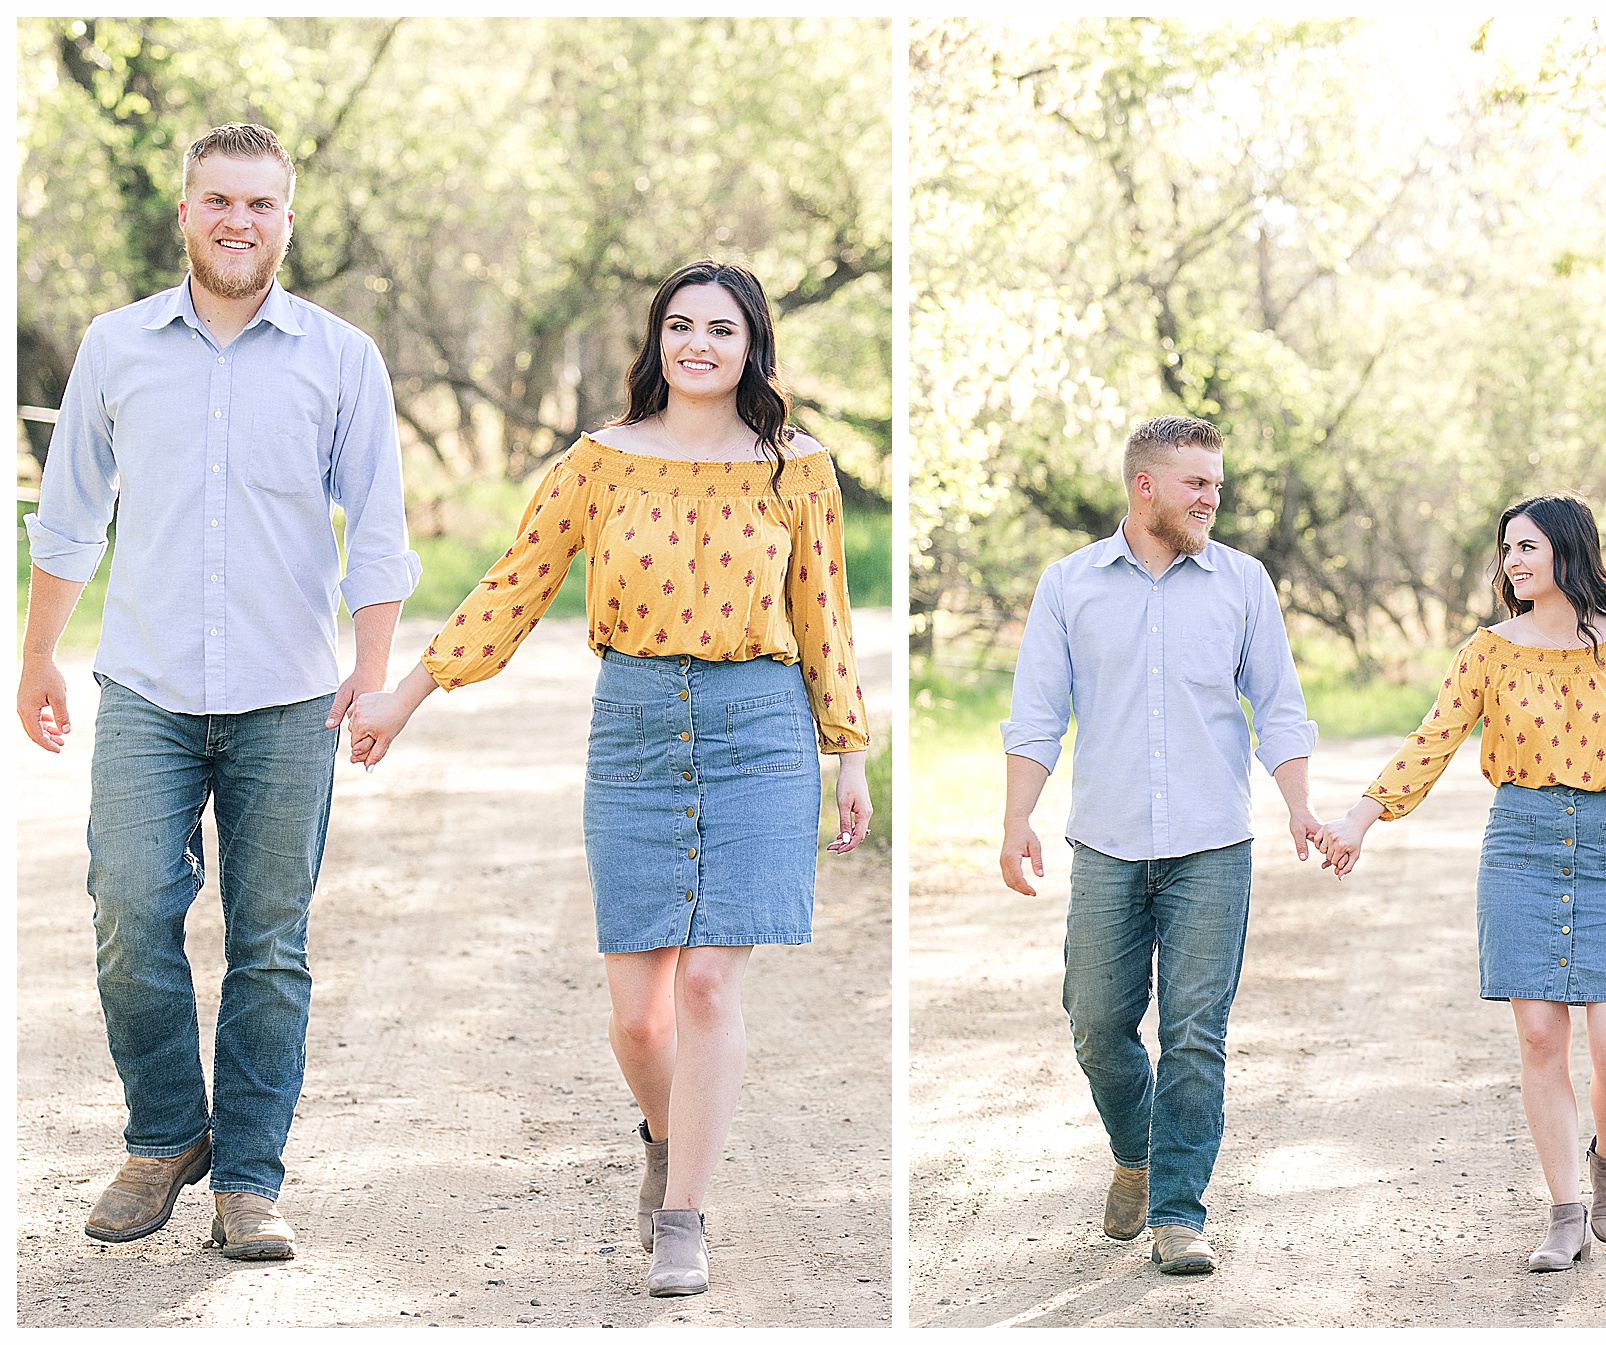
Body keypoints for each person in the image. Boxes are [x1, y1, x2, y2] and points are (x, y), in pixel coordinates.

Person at [344, 259, 872, 1297]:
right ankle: (667, 1138)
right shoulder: (601, 461)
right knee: (640, 1014)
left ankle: (686, 1219)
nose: (699, 345)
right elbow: (516, 582)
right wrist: (406, 692)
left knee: (713, 981)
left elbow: (826, 613)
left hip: (759, 728)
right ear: (656, 342)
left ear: (752, 345)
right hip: (633, 722)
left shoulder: (798, 468)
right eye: (680, 326)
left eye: (721, 329)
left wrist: (849, 748)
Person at [17, 123, 420, 1261]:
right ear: (185, 214)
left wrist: (375, 674)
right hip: (146, 683)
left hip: (288, 697)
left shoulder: (342, 358)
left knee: (270, 940)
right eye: (218, 201)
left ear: (288, 220)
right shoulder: (116, 344)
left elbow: (379, 531)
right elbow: (71, 513)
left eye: (260, 203)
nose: (239, 220)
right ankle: (163, 1134)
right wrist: (38, 655)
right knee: (128, 911)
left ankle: (247, 1177)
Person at [1316, 492, 1606, 1272]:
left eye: (1528, 547)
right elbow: (1433, 738)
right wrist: (1361, 818)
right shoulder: (1490, 650)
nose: (1513, 561)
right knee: (1540, 1035)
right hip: (1522, 843)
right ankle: (1565, 1210)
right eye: (1507, 549)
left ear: (1570, 549)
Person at [998, 415, 1323, 1276]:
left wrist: (1297, 804)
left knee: (1194, 1032)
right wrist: (1014, 819)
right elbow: (1037, 714)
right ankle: (1137, 1151)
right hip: (1105, 841)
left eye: (1217, 483)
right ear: (1146, 486)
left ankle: (1179, 1213)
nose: (1213, 498)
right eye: (1197, 483)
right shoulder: (1069, 585)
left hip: (1214, 843)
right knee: (1097, 1023)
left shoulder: (1244, 584)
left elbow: (1279, 707)